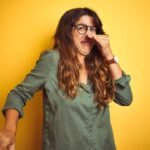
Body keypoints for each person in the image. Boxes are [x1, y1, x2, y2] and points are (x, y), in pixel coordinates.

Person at [0, 7, 133, 150]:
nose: (88, 35)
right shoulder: (52, 60)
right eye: (81, 28)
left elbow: (125, 99)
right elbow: (18, 94)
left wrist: (108, 55)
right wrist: (9, 131)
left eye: (92, 29)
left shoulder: (102, 64)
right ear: (67, 31)